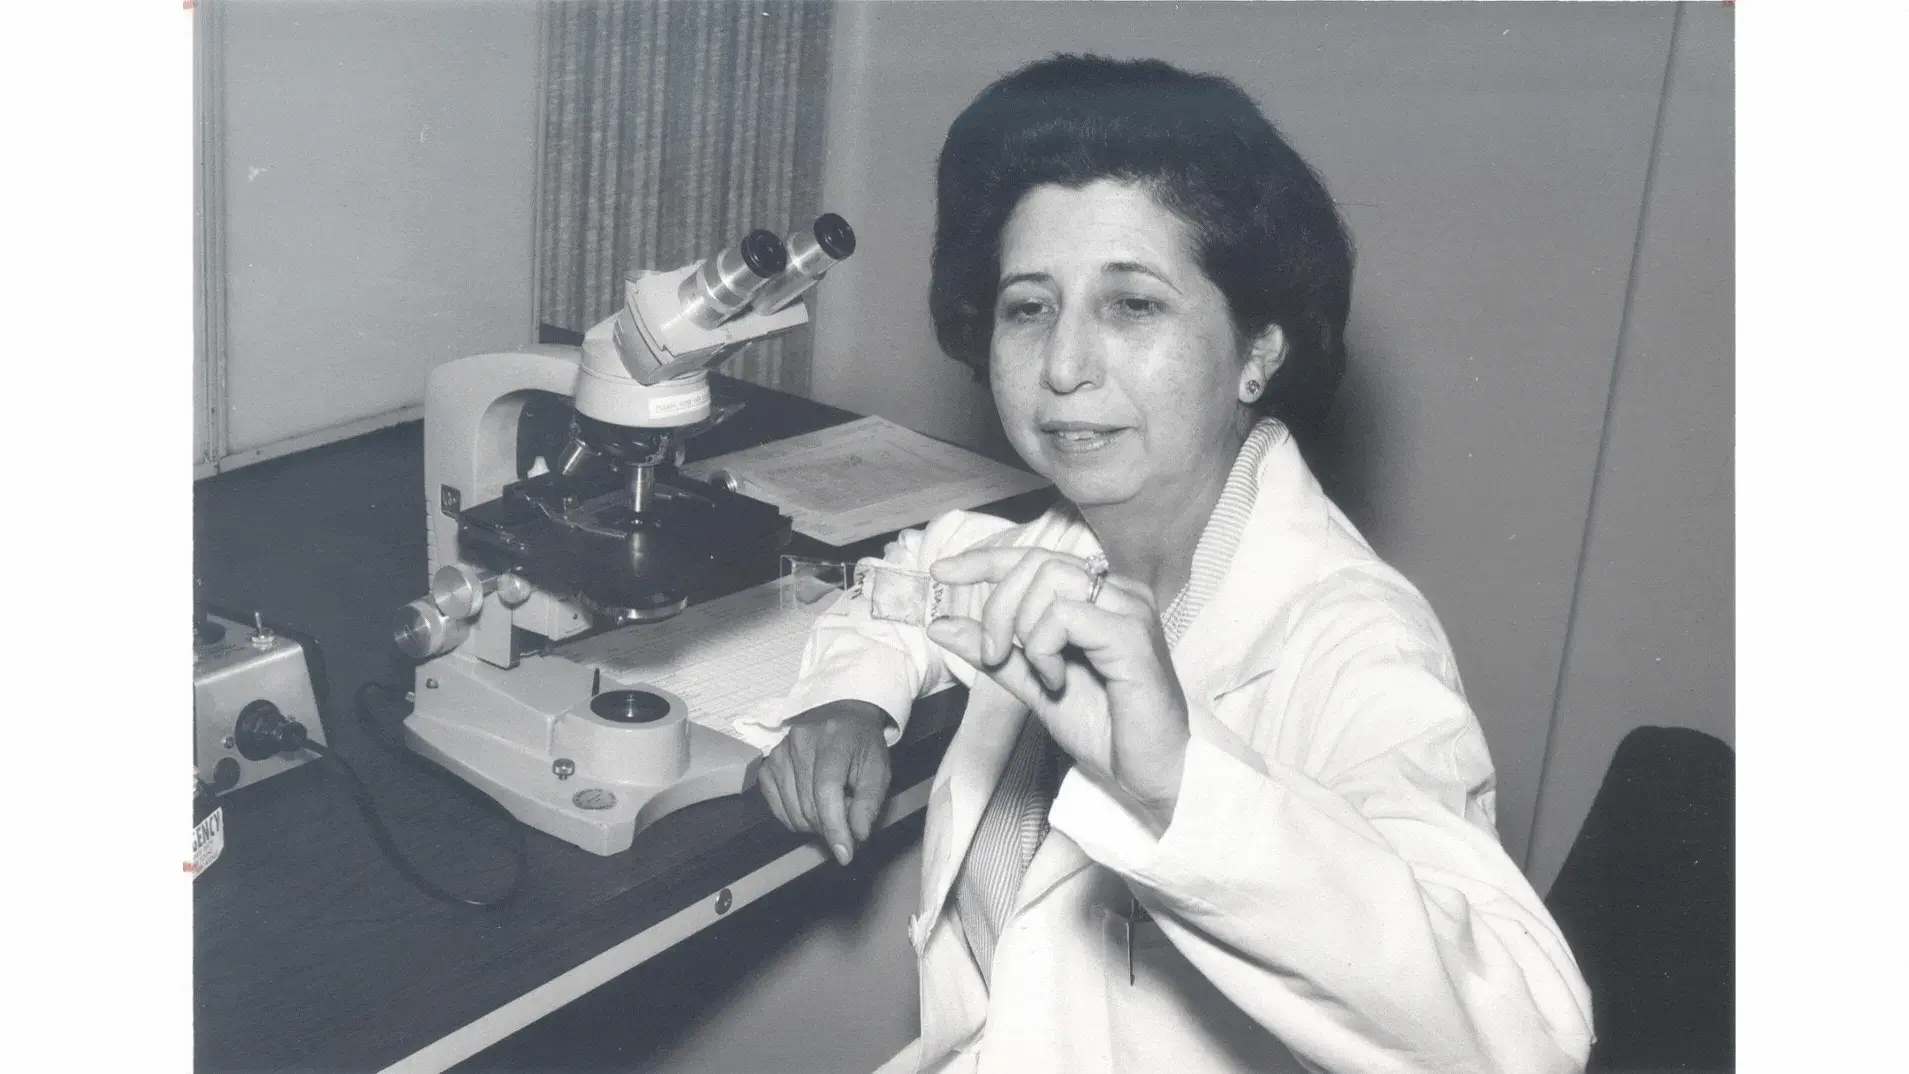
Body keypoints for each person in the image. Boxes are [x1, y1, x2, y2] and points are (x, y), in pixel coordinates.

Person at [742, 55, 1593, 1074]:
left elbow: (1529, 1037)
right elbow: (917, 578)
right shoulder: (1065, 542)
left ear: (1258, 351)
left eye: (1133, 305)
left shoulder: (1352, 642)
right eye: (1028, 307)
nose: (1063, 366)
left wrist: (1182, 782)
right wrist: (850, 697)